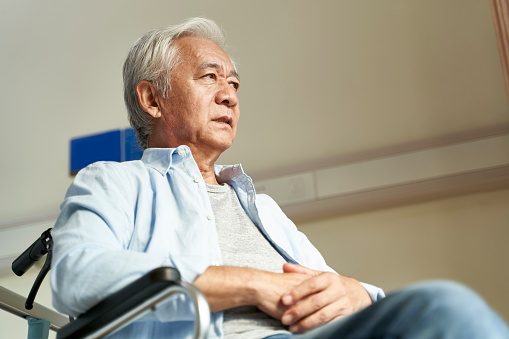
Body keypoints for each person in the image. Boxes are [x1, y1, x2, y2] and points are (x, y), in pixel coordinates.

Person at [50, 17, 509, 339]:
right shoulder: (113, 182)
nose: (229, 96)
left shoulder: (262, 208)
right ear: (152, 99)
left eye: (234, 84)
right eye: (210, 77)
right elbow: (78, 275)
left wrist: (358, 293)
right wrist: (248, 283)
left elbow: (326, 288)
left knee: (436, 315)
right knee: (446, 306)